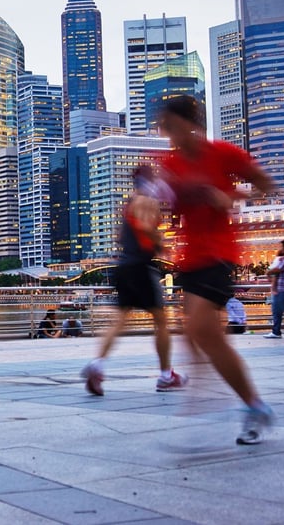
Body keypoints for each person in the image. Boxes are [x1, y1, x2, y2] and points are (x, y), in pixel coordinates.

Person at [157, 95, 276, 445]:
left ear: (191, 124)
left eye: (173, 126)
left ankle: (252, 405)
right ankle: (240, 398)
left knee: (201, 330)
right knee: (197, 334)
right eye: (165, 128)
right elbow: (165, 201)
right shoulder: (170, 163)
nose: (169, 134)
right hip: (189, 258)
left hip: (219, 254)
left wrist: (232, 196)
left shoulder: (223, 154)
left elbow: (266, 186)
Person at [81, 164, 185, 396]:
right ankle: (166, 376)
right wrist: (161, 245)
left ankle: (97, 365)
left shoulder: (129, 202)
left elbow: (120, 236)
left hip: (124, 265)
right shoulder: (147, 201)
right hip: (141, 266)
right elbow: (147, 227)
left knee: (119, 320)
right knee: (161, 321)